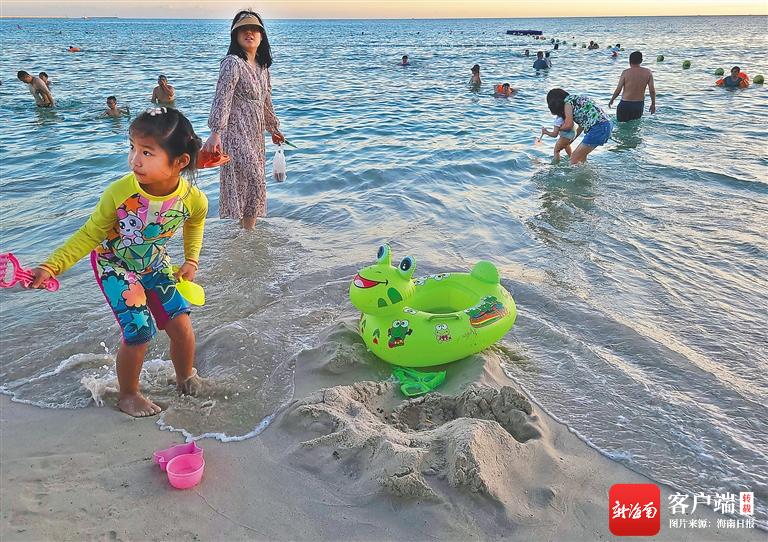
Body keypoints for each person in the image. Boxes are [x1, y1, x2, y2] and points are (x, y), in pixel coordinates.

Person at [26, 107, 208, 417]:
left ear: (180, 162)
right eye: (132, 148)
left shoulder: (192, 198)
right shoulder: (120, 193)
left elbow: (195, 222)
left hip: (155, 265)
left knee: (182, 326)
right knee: (139, 330)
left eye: (147, 152)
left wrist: (191, 258)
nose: (135, 159)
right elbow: (89, 234)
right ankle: (128, 394)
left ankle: (185, 378)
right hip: (115, 266)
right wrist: (52, 265)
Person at [203, 10, 284, 231]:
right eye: (243, 29)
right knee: (255, 179)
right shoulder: (232, 63)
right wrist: (216, 132)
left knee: (251, 183)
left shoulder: (263, 67)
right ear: (235, 35)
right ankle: (249, 232)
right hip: (235, 132)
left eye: (255, 29)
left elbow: (266, 102)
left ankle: (245, 234)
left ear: (262, 36)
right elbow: (222, 97)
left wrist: (273, 128)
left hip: (255, 135)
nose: (250, 32)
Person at [547, 88, 612, 164]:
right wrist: (571, 140)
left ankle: (573, 175)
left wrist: (557, 129)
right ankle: (586, 175)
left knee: (574, 158)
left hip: (598, 128)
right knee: (581, 157)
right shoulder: (576, 100)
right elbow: (581, 126)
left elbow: (569, 125)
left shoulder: (567, 104)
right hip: (607, 125)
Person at [608, 51, 657, 121]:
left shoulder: (625, 73)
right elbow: (652, 91)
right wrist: (653, 104)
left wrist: (612, 100)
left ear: (629, 61)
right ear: (641, 61)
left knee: (621, 128)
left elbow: (618, 89)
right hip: (638, 105)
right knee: (634, 129)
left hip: (625, 104)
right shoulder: (648, 73)